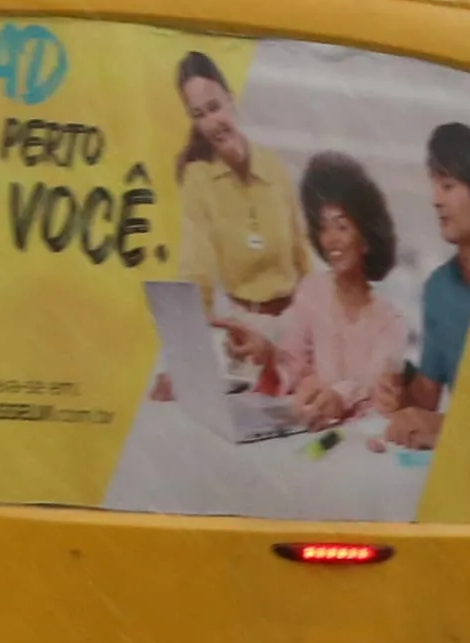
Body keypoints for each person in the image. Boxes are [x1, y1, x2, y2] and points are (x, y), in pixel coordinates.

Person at [233, 153, 414, 430]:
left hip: (354, 445)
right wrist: (267, 353)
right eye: (324, 227)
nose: (331, 240)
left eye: (341, 226)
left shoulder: (391, 324)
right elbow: (290, 362)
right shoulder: (312, 290)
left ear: (365, 239)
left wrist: (337, 398)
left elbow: (372, 388)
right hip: (304, 434)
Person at [174, 54, 309, 349]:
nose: (211, 123)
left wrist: (318, 326)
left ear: (230, 98)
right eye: (199, 115)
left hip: (295, 329)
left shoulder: (274, 166)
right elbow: (196, 269)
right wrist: (188, 345)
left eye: (214, 107)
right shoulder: (198, 181)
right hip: (244, 332)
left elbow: (302, 256)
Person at [388, 121, 470, 451]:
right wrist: (398, 387)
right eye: (434, 187)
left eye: (448, 187)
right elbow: (427, 395)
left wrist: (447, 427)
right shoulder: (438, 288)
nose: (435, 200)